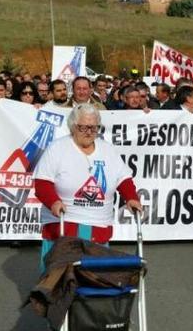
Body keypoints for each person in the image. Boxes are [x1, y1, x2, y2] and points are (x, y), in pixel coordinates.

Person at [33, 104, 143, 269]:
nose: (89, 132)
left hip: (98, 225)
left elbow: (123, 179)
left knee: (95, 276)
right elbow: (42, 183)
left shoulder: (108, 150)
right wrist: (54, 202)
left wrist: (131, 198)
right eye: (83, 127)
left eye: (93, 127)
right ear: (73, 126)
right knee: (59, 277)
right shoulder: (57, 148)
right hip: (65, 223)